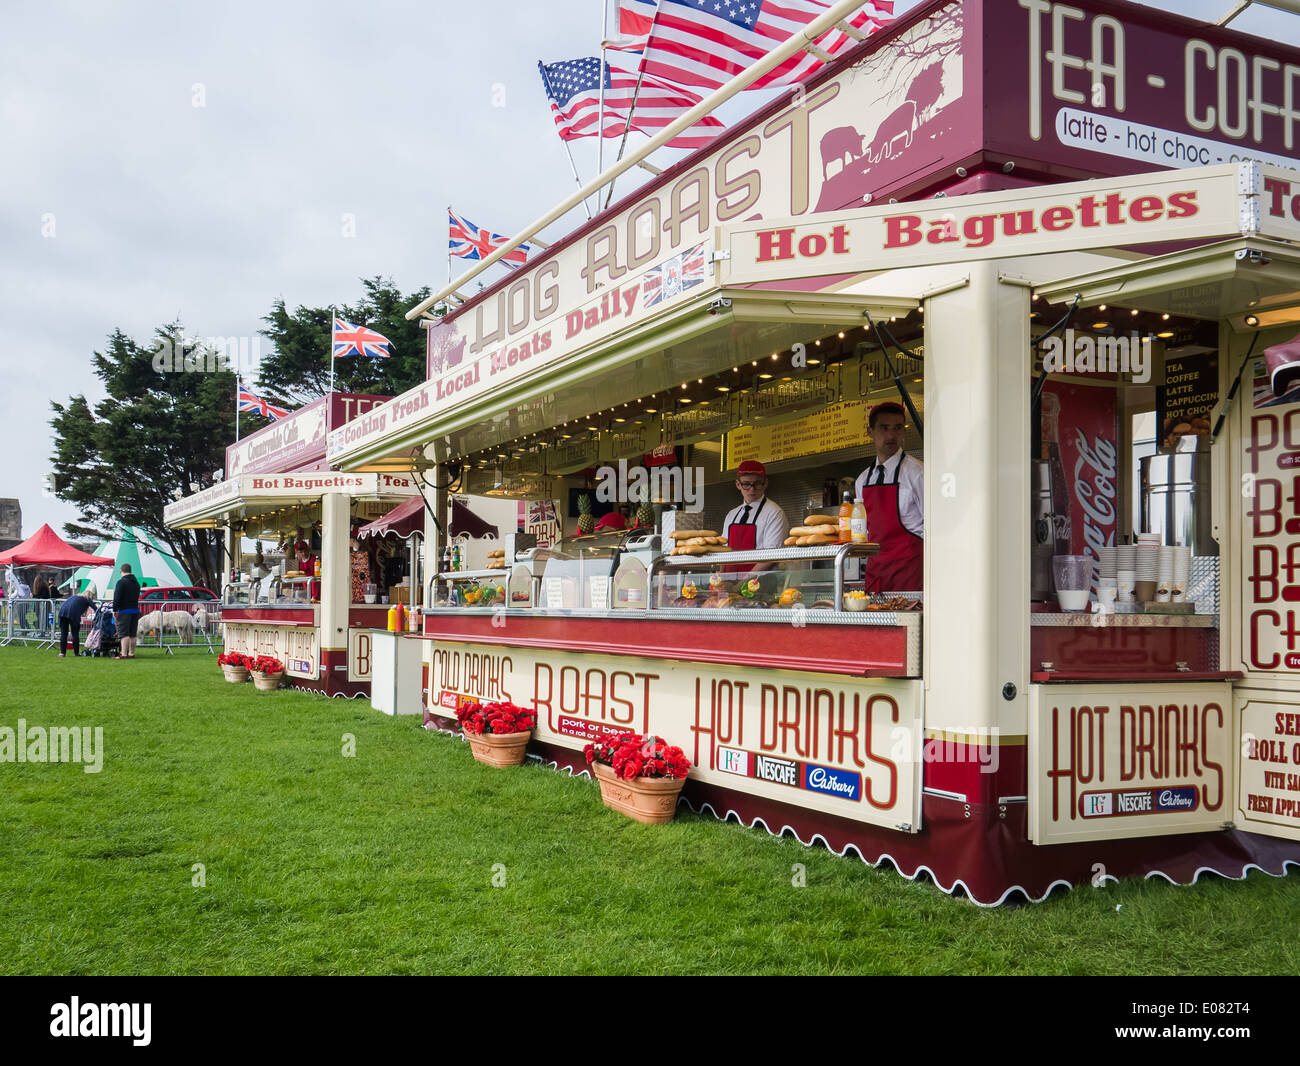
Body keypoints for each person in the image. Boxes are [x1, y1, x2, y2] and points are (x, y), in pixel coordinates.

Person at [855, 401, 924, 593]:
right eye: (884, 428)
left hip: (910, 576)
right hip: (876, 577)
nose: (891, 435)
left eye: (897, 428)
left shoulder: (918, 473)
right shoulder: (862, 481)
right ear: (870, 432)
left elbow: (935, 530)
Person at [721, 459, 790, 573]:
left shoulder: (774, 513)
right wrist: (721, 578)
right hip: (730, 582)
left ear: (765, 483)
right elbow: (723, 551)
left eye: (757, 483)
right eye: (746, 484)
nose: (752, 489)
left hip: (761, 584)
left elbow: (771, 556)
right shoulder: (731, 515)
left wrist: (742, 583)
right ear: (738, 484)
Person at [57, 584, 95, 658]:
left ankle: (62, 653)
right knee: (75, 634)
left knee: (64, 634)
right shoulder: (87, 598)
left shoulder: (74, 596)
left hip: (62, 612)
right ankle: (76, 653)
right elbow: (95, 607)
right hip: (73, 614)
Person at [113, 563, 142, 658]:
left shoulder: (121, 582)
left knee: (124, 634)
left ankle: (124, 654)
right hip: (135, 610)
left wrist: (115, 609)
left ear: (121, 571)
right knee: (133, 634)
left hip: (125, 611)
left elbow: (117, 597)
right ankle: (131, 653)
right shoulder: (136, 583)